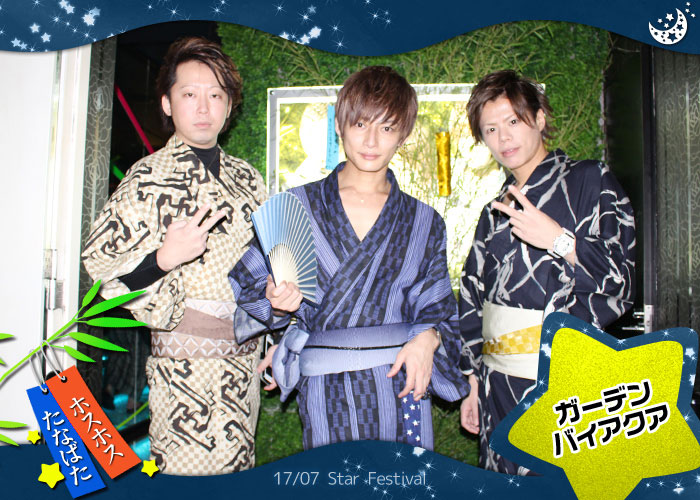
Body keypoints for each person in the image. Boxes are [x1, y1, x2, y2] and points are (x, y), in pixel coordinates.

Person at [230, 66, 469, 450]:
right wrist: (274, 302)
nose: (371, 141)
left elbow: (438, 310)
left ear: (404, 135)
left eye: (387, 128)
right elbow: (250, 285)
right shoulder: (296, 207)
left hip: (400, 385)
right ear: (339, 126)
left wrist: (430, 337)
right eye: (360, 124)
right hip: (326, 392)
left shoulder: (423, 221)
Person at [82, 36, 267, 475]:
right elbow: (100, 271)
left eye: (216, 95)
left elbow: (269, 266)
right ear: (167, 103)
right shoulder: (146, 178)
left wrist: (277, 340)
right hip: (184, 375)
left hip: (244, 371)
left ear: (229, 105)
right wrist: (163, 258)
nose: (204, 108)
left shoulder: (248, 179)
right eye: (189, 94)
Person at [458, 70, 636, 474]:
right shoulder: (494, 212)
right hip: (497, 384)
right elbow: (472, 297)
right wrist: (472, 381)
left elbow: (621, 281)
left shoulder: (590, 181)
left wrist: (559, 240)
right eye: (490, 129)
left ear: (539, 118)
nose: (503, 137)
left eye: (513, 121)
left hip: (567, 381)